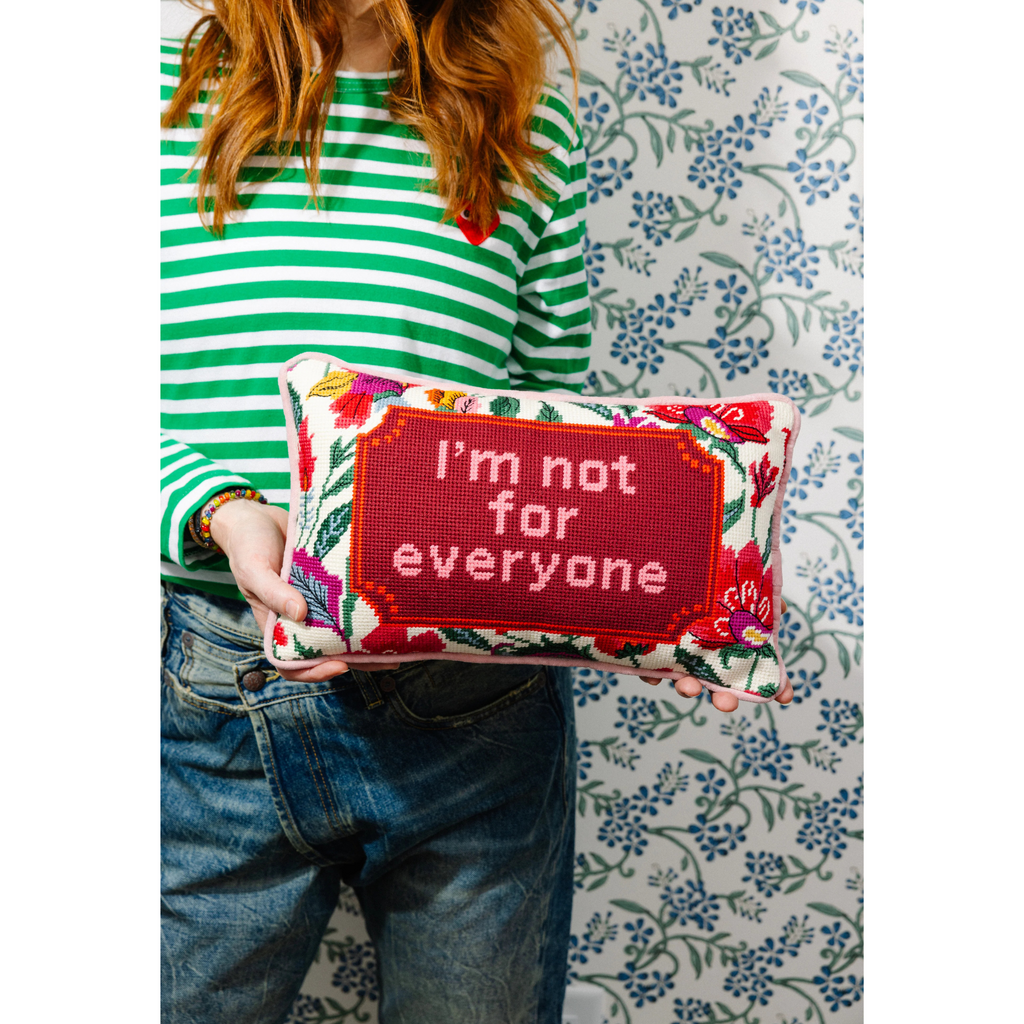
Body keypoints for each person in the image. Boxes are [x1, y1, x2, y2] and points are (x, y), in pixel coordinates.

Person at [160, 2, 793, 1021]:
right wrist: (221, 509)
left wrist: (662, 601)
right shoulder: (152, 108)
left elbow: (549, 433)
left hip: (475, 710)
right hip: (208, 696)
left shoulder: (527, 127)